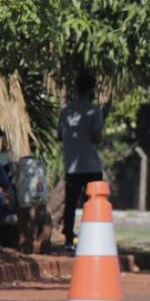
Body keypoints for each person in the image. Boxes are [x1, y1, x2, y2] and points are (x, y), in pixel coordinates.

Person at [58, 73, 104, 250]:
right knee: (93, 202)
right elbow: (97, 138)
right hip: (91, 164)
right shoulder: (94, 111)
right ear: (92, 89)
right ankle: (91, 237)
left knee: (70, 203)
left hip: (72, 165)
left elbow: (59, 135)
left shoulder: (66, 111)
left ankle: (68, 237)